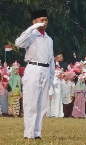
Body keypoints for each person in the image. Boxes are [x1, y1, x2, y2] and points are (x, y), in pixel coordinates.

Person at [15, 9, 55, 139]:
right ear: (34, 21)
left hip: (45, 69)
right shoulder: (31, 35)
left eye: (46, 20)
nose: (44, 22)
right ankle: (29, 133)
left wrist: (51, 77)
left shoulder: (49, 39)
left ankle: (37, 133)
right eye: (41, 20)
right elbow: (18, 43)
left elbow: (51, 60)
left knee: (41, 104)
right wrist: (32, 28)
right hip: (33, 68)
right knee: (31, 102)